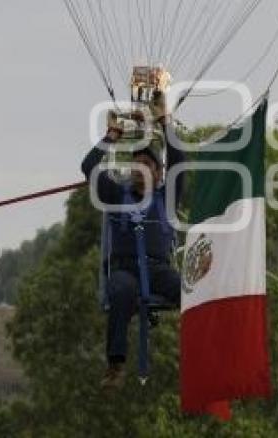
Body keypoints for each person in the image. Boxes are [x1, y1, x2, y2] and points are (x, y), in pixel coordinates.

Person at [81, 92, 184, 389]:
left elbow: (180, 160)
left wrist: (164, 121)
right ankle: (115, 365)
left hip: (159, 271)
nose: (139, 170)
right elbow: (89, 167)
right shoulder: (115, 194)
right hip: (125, 270)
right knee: (121, 290)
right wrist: (111, 136)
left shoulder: (167, 197)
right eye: (135, 164)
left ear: (158, 172)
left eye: (146, 165)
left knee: (189, 291)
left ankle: (207, 353)